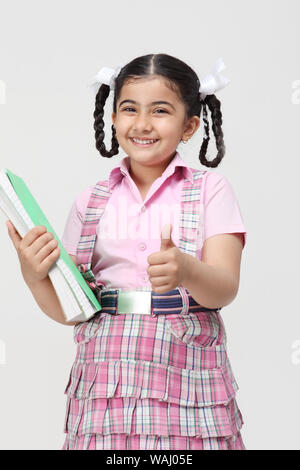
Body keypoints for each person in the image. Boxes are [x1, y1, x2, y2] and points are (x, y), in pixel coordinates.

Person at [6, 53, 247, 450]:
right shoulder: (91, 201)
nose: (143, 123)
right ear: (114, 118)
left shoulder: (211, 191)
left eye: (161, 110)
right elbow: (73, 308)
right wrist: (33, 275)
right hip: (105, 373)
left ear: (189, 125)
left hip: (186, 368)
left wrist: (186, 270)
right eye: (130, 108)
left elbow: (224, 288)